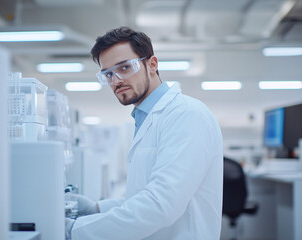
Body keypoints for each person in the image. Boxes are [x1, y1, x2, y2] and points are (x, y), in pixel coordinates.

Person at [65, 26, 223, 240]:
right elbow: (142, 195)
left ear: (152, 64)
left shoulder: (186, 115)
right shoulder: (146, 119)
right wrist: (97, 209)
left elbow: (161, 204)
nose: (116, 80)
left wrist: (75, 232)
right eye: (108, 74)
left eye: (125, 67)